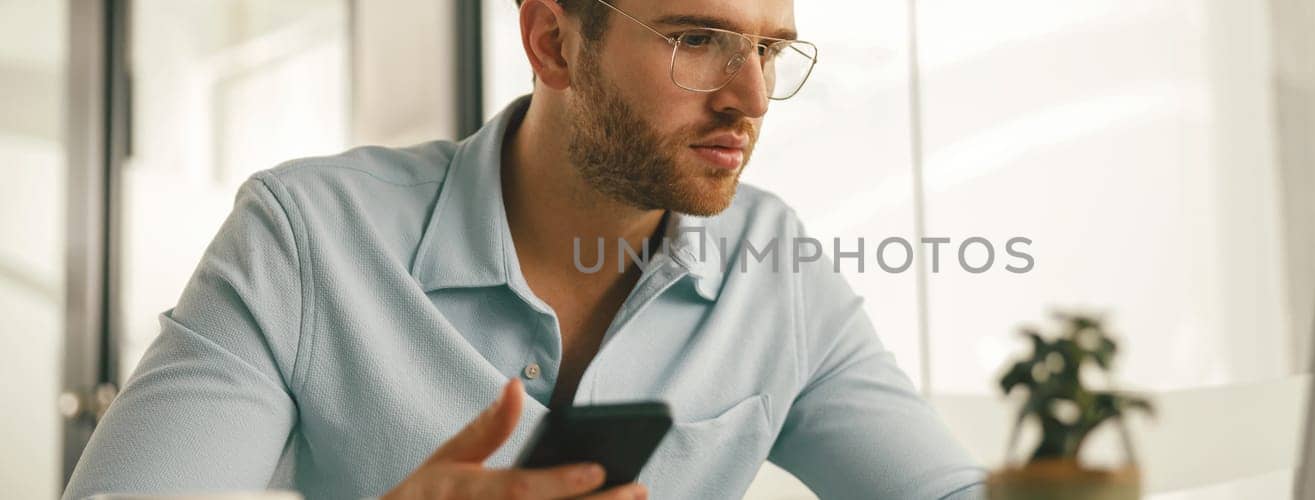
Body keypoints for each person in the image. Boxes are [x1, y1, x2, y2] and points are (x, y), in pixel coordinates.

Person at [62, 0, 985, 498]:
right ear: (553, 42)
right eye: (699, 40)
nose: (749, 97)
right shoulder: (304, 237)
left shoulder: (774, 262)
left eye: (771, 51)